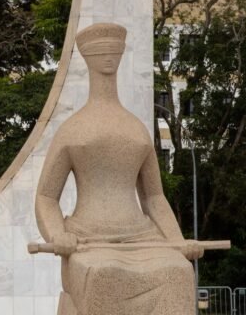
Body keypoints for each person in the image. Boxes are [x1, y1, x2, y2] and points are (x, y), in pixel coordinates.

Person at [34, 23, 203, 314]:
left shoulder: (136, 129)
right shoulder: (73, 129)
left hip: (142, 238)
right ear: (89, 59)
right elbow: (46, 197)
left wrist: (176, 241)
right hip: (90, 240)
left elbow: (154, 198)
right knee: (105, 275)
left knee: (179, 273)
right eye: (101, 52)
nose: (108, 58)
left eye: (114, 51)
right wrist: (57, 234)